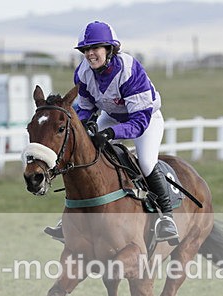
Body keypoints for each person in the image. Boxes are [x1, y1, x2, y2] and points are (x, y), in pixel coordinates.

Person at [45, 20, 179, 244]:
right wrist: (84, 127)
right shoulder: (83, 73)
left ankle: (166, 217)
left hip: (146, 120)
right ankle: (71, 216)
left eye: (95, 48)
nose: (89, 54)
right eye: (86, 50)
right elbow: (85, 109)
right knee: (85, 151)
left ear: (109, 49)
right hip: (113, 116)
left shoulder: (129, 70)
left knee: (146, 163)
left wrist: (109, 133)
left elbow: (138, 122)